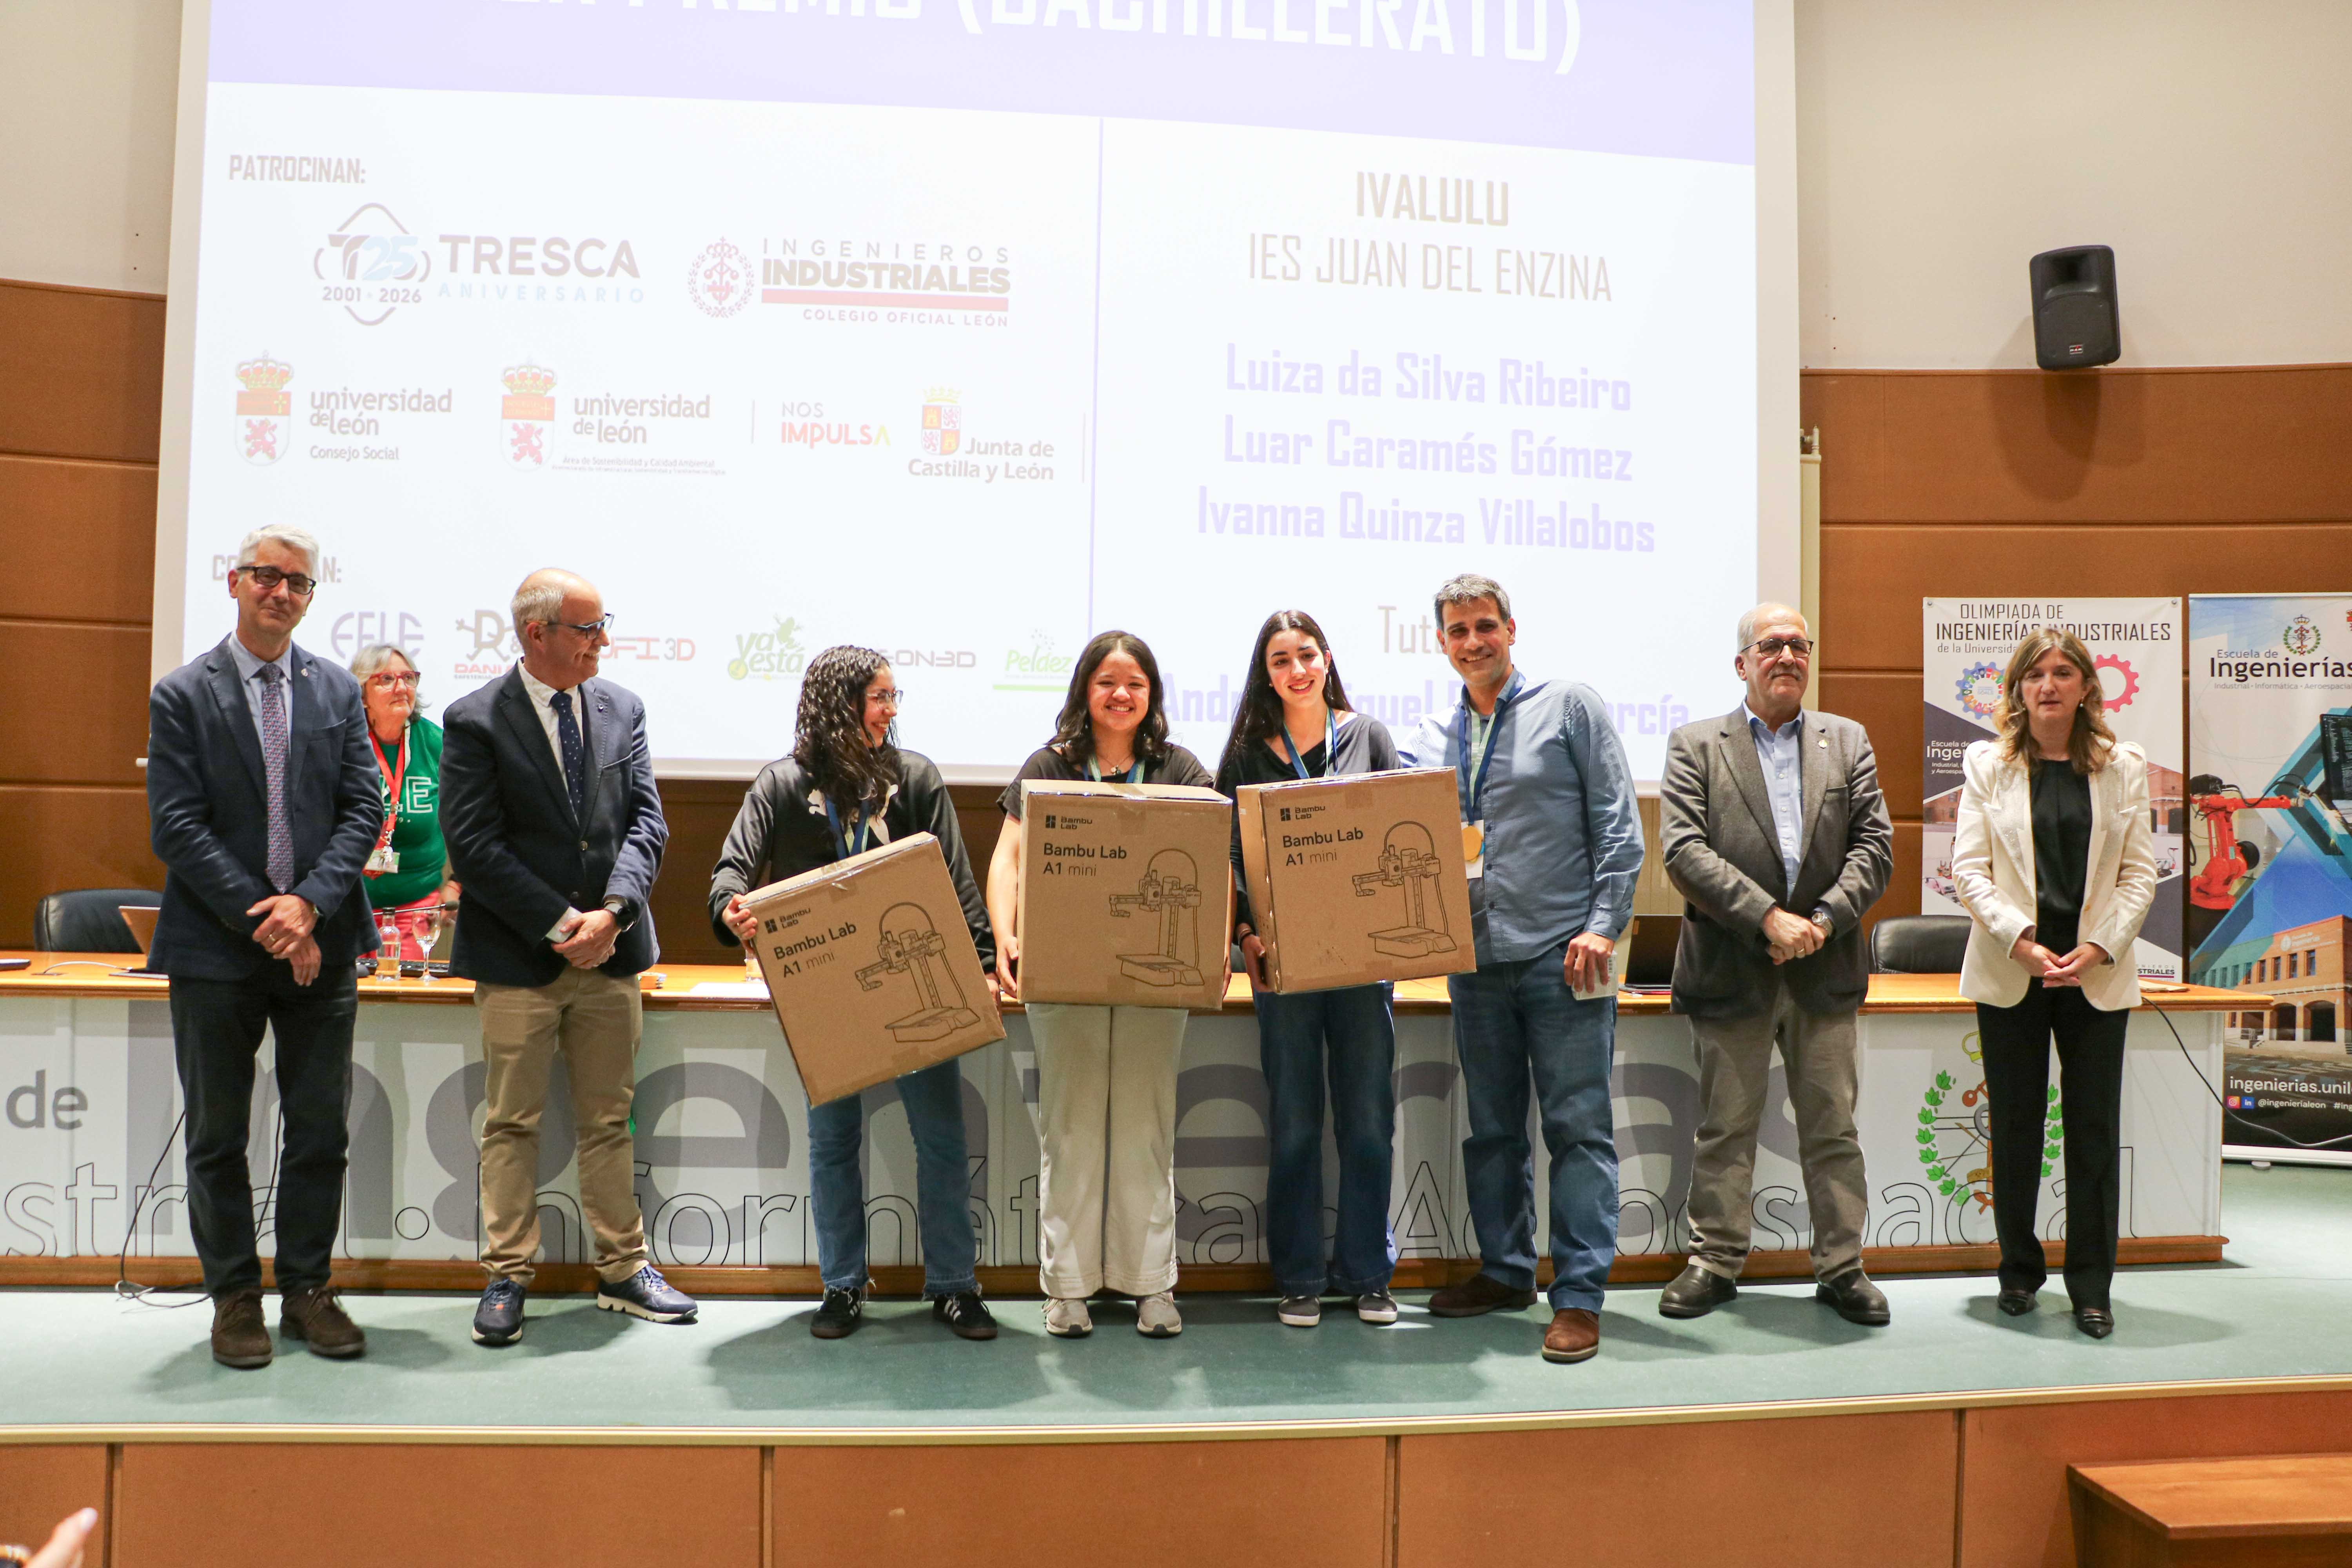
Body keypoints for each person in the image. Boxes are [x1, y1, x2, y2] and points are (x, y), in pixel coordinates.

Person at [712, 646, 1001, 1342]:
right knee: (832, 1141)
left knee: (941, 1137)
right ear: (839, 703)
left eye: (895, 698)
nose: (891, 711)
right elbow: (731, 874)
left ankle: (957, 1288)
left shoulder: (916, 778)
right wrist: (731, 910)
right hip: (826, 1002)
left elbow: (957, 878)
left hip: (916, 987)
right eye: (879, 697)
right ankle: (842, 1286)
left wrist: (984, 965)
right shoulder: (782, 784)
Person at [145, 523, 382, 1368]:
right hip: (217, 949)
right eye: (266, 576)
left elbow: (365, 809)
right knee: (217, 1134)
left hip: (321, 943)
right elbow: (176, 826)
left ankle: (308, 1289)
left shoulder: (335, 692)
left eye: (297, 582)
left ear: (310, 596)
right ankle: (234, 1297)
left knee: (319, 1129)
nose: (281, 591)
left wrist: (309, 909)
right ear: (236, 582)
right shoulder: (182, 693)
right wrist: (268, 917)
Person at [439, 568, 693, 1347]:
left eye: (600, 626)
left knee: (609, 1121)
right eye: (586, 629)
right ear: (536, 633)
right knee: (512, 1123)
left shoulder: (624, 708)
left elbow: (647, 824)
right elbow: (475, 846)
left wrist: (612, 914)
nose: (601, 642)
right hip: (521, 958)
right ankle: (509, 1273)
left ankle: (623, 1269)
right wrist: (560, 924)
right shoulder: (476, 719)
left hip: (612, 955)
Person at [1398, 573, 1644, 1364]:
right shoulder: (1430, 733)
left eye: (1485, 626)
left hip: (1565, 955)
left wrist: (1603, 927)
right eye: (1458, 631)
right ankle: (1506, 1271)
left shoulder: (1569, 706)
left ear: (1511, 628)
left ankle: (1577, 1296)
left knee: (1578, 1129)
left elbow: (1619, 826)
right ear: (1440, 643)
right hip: (1474, 961)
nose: (1474, 642)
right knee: (1494, 1131)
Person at [1657, 604, 1895, 1325]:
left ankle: (1842, 1267)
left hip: (1823, 967)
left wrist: (1821, 921)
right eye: (1771, 645)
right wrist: (1768, 916)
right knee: (1726, 1126)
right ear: (1742, 664)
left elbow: (1875, 848)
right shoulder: (1696, 744)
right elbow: (1683, 851)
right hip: (1733, 964)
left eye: (1798, 644)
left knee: (1831, 1127)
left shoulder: (1847, 741)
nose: (1787, 655)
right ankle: (1716, 1261)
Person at [985, 631, 1219, 1339]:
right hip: (1064, 976)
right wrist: (1005, 939)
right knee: (1073, 1128)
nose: (1122, 694)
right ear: (1085, 690)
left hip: (1158, 981)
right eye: (1108, 681)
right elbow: (1008, 862)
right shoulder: (1049, 766)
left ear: (1152, 695)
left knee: (1146, 1130)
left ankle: (1152, 1287)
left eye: (1136, 683)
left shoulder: (1180, 768)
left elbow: (1214, 865)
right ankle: (1068, 1290)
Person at [1953, 628, 2157, 1339]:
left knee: (2094, 1132)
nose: (2049, 685)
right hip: (2016, 968)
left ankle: (2092, 1286)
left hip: (2096, 974)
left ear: (2085, 687)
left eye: (2063, 672)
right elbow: (1969, 869)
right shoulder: (1989, 764)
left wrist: (2099, 946)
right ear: (2017, 688)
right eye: (2035, 673)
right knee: (2015, 1128)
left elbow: (2140, 873)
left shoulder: (2123, 766)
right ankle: (2018, 1272)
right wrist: (2024, 940)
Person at [1214, 610, 1404, 1328]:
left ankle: (1367, 1275)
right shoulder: (1243, 756)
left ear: (1328, 660)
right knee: (1294, 1122)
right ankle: (1297, 1277)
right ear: (1267, 675)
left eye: (1306, 656)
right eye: (1280, 661)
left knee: (1366, 1121)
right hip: (1283, 967)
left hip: (1362, 964)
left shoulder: (1370, 737)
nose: (1296, 670)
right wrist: (1243, 936)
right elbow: (1227, 858)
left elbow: (1393, 832)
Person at [349, 644, 459, 960]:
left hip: (417, 910)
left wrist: (456, 885)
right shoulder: (345, 742)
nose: (401, 688)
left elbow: (475, 820)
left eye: (409, 678)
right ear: (362, 694)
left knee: (397, 1000)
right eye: (386, 679)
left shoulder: (438, 744)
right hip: (348, 907)